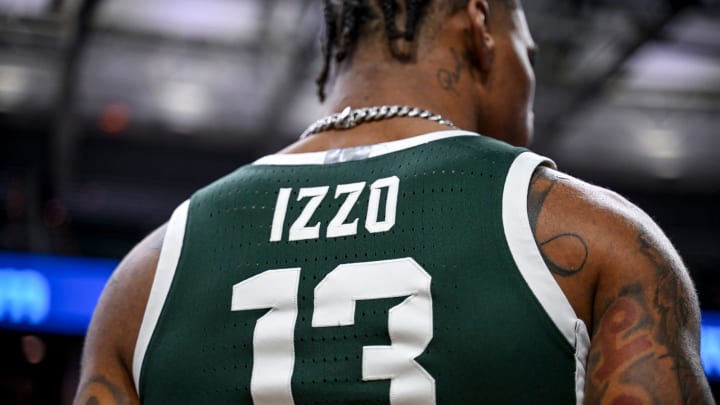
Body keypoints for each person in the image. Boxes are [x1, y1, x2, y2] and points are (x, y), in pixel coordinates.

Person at [74, 0, 715, 404]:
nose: (532, 84)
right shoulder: (599, 238)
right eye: (529, 50)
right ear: (480, 24)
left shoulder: (146, 280)